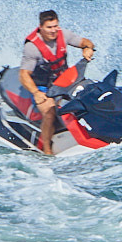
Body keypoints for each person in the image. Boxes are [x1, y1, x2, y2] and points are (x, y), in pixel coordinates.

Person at [19, 9, 95, 155]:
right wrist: (36, 92)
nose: (53, 31)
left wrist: (88, 48)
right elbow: (24, 75)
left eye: (55, 26)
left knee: (90, 95)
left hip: (65, 81)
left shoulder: (63, 34)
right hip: (42, 86)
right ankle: (47, 148)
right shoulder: (32, 47)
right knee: (49, 113)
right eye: (49, 27)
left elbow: (85, 42)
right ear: (40, 27)